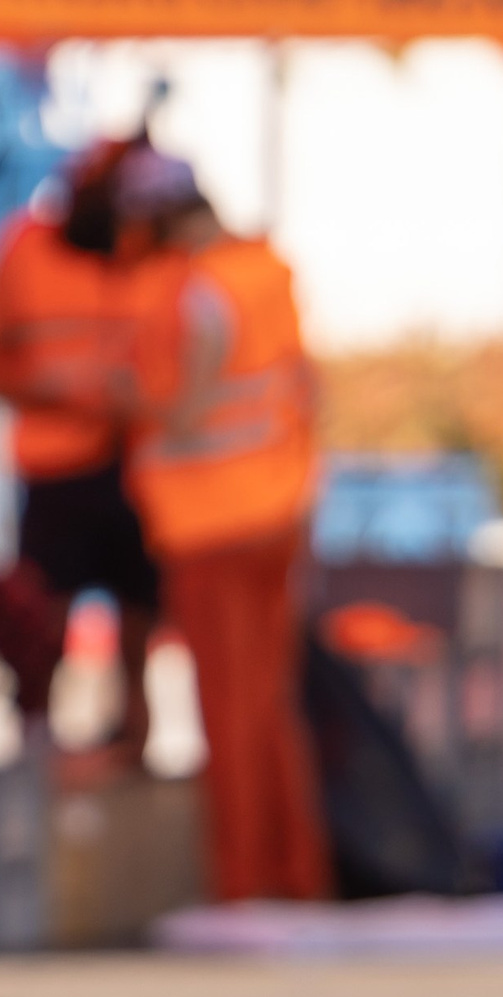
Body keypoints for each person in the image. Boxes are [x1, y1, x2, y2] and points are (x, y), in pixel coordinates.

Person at [115, 151, 328, 906]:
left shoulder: (199, 292)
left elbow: (183, 406)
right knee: (270, 706)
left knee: (230, 711)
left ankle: (244, 880)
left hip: (212, 519)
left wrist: (111, 392)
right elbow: (306, 388)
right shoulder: (266, 274)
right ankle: (297, 874)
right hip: (276, 509)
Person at [0, 141, 157, 758]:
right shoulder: (24, 251)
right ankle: (35, 748)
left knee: (140, 623)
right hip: (55, 472)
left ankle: (135, 750)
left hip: (138, 467)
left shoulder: (149, 249)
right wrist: (61, 394)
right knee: (42, 621)